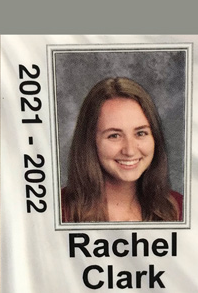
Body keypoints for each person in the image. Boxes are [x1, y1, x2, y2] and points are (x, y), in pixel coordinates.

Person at [61, 77, 183, 223]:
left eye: (140, 133)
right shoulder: (58, 210)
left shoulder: (178, 207)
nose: (130, 150)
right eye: (114, 136)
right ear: (90, 141)